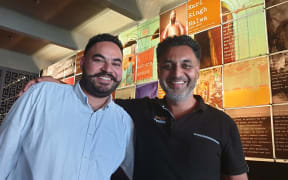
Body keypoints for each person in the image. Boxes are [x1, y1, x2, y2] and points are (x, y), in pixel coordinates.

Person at [20, 35, 248, 180]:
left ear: (197, 69)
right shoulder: (137, 112)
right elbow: (95, 94)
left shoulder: (222, 124)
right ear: (159, 72)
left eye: (186, 65)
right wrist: (57, 84)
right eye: (168, 66)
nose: (177, 74)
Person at [0, 34, 134, 180]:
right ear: (82, 62)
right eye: (98, 60)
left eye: (116, 63)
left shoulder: (124, 123)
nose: (108, 69)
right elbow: (4, 152)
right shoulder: (41, 94)